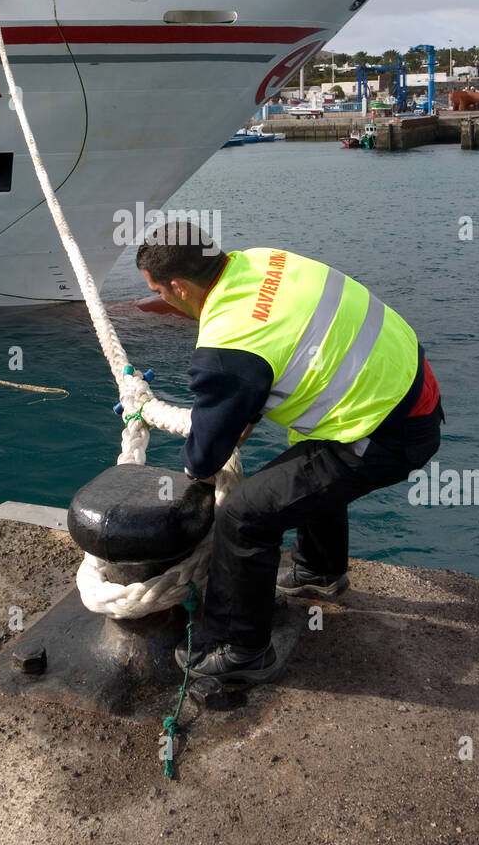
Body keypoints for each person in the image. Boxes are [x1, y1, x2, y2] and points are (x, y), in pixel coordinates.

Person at [136, 224, 443, 683]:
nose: (162, 299)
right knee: (305, 460)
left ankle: (240, 649)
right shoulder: (263, 260)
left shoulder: (226, 341)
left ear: (179, 286)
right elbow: (280, 347)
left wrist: (207, 451)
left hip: (386, 431)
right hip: (408, 387)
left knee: (244, 516)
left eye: (159, 290)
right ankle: (319, 572)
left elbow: (203, 458)